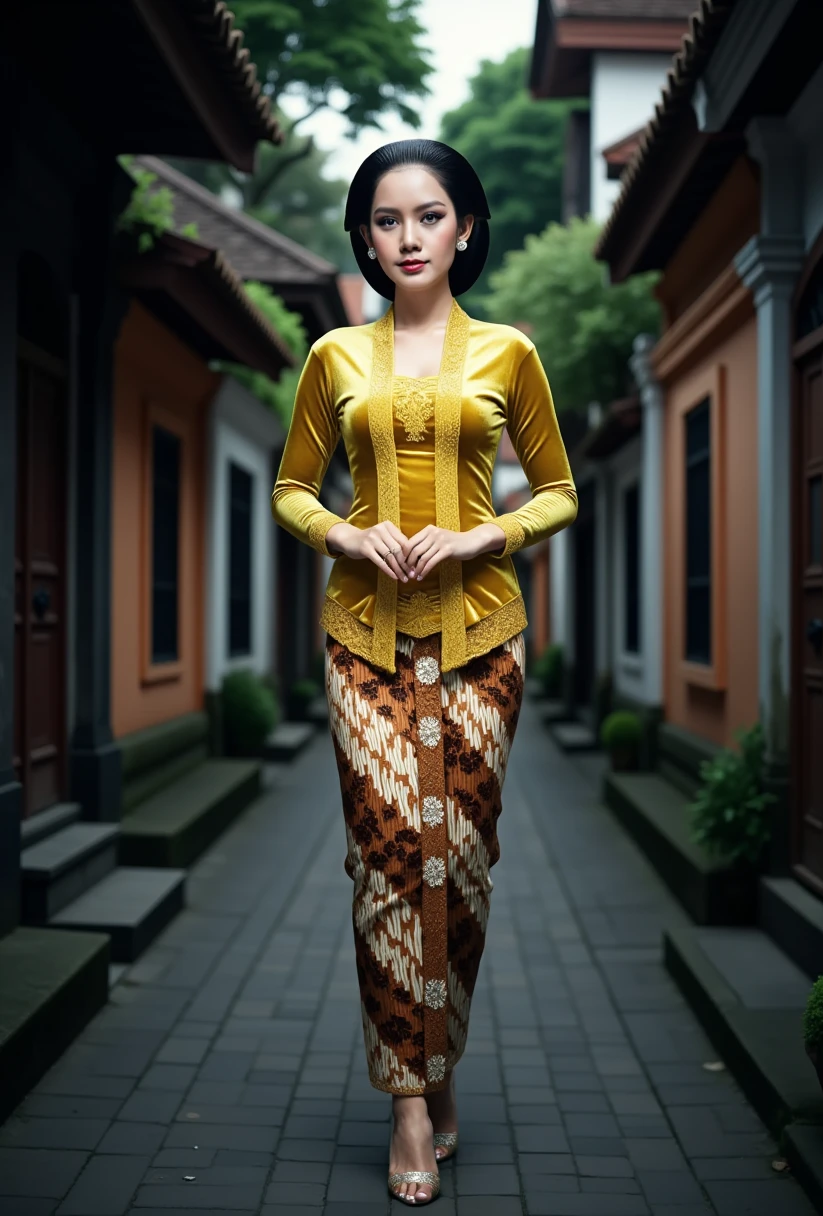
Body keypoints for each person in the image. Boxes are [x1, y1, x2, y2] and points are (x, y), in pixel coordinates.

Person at [272, 138, 577, 1205]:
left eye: (430, 215)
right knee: (389, 854)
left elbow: (558, 489)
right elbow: (291, 488)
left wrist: (481, 537)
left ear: (466, 229)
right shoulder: (333, 360)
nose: (409, 236)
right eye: (388, 219)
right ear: (364, 235)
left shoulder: (507, 355)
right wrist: (345, 538)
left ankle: (438, 1060)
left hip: (483, 642)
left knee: (461, 861)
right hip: (363, 642)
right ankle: (407, 1099)